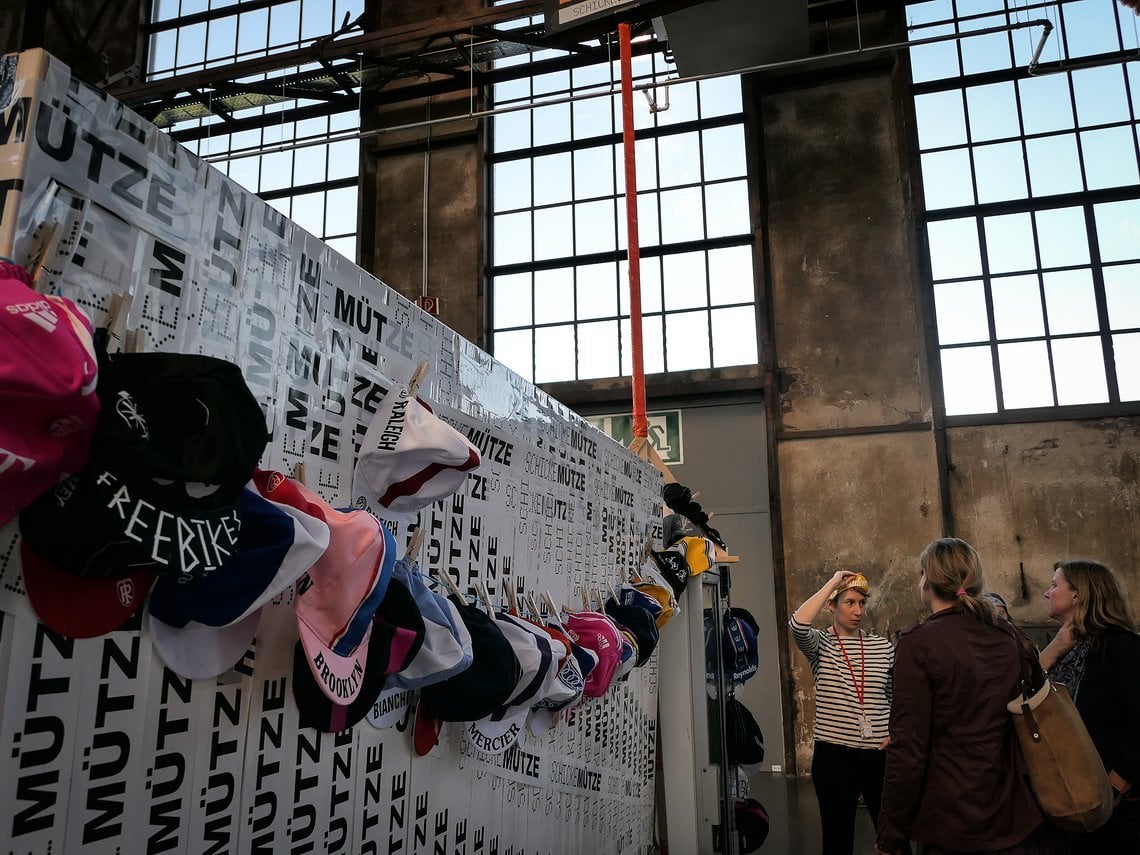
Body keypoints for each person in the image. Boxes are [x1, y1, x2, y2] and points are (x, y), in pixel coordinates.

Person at [876, 538, 1053, 855]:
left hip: (953, 816)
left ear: (927, 581)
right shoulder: (1007, 634)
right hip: (1012, 808)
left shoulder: (918, 642)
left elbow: (908, 752)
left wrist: (891, 834)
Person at [790, 570, 894, 855]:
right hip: (835, 755)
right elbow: (798, 624)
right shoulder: (821, 645)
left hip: (879, 755)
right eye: (849, 602)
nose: (858, 610)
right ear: (832, 606)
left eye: (862, 603)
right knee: (837, 841)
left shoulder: (882, 646)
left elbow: (896, 697)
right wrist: (834, 582)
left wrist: (896, 733)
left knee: (892, 836)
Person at [1039, 559, 1140, 853]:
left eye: (1054, 585)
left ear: (1077, 595)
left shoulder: (1120, 647)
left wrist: (1117, 782)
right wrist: (1051, 652)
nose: (1047, 593)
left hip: (1116, 809)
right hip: (1070, 800)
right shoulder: (1067, 650)